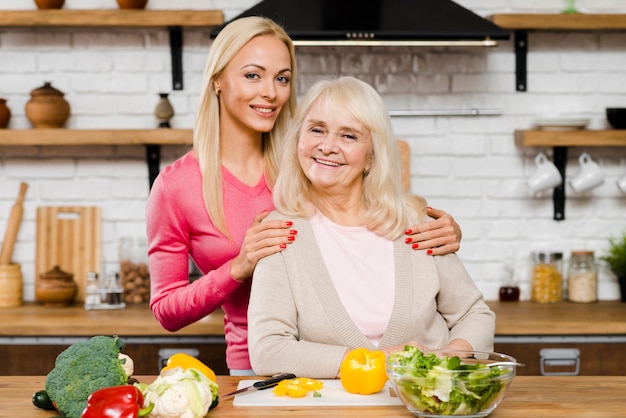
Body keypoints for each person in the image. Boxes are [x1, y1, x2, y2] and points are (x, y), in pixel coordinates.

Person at [146, 16, 463, 376]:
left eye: (282, 78)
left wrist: (441, 230)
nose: (270, 92)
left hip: (348, 360)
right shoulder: (175, 188)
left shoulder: (312, 158)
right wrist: (238, 267)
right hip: (258, 367)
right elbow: (166, 311)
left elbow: (376, 220)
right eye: (253, 75)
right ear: (217, 79)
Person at [247, 77, 495, 378]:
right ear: (299, 139)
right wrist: (372, 360)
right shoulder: (280, 231)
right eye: (316, 129)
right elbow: (268, 351)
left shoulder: (415, 222)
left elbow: (474, 314)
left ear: (371, 157)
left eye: (348, 136)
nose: (327, 146)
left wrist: (447, 359)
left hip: (428, 403)